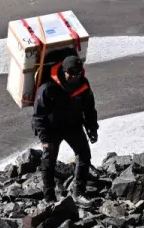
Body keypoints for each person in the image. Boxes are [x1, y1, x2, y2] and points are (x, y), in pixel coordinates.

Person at [32, 53, 98, 200]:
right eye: (72, 73)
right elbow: (38, 115)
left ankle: (79, 192)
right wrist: (44, 138)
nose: (75, 76)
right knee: (49, 160)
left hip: (73, 125)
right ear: (64, 71)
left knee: (84, 155)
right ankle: (49, 196)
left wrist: (92, 127)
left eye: (78, 73)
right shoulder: (47, 88)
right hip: (52, 128)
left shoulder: (83, 84)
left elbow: (89, 108)